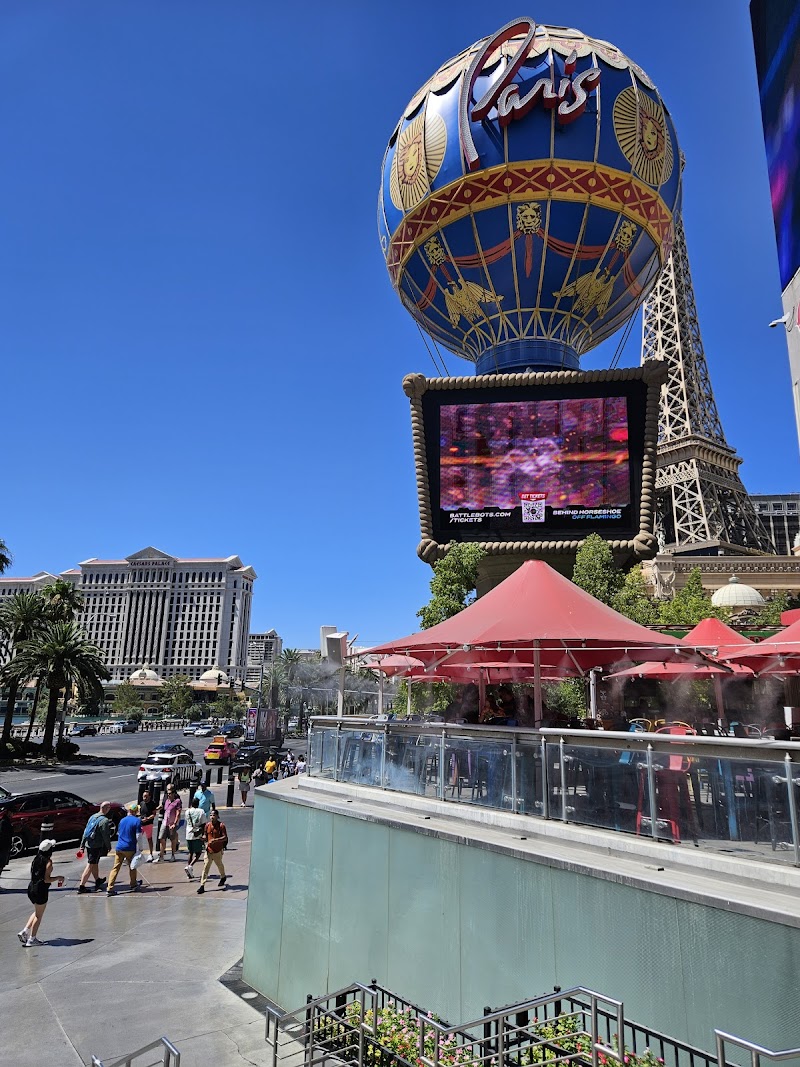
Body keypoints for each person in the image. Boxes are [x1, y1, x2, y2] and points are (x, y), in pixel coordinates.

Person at [18, 839, 64, 946]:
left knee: (37, 911)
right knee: (39, 916)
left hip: (31, 888)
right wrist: (58, 878)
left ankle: (25, 931)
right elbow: (46, 879)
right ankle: (32, 939)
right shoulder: (48, 862)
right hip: (41, 890)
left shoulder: (36, 859)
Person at [106, 803, 143, 895]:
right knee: (132, 866)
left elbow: (119, 833)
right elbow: (138, 836)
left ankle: (110, 887)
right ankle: (133, 884)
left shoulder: (122, 820)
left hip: (119, 847)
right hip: (130, 847)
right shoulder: (137, 821)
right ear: (135, 811)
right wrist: (140, 848)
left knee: (115, 868)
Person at [77, 801, 113, 893]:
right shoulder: (104, 820)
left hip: (89, 844)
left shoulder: (92, 817)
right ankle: (81, 886)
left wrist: (82, 845)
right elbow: (106, 835)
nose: (109, 809)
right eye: (109, 808)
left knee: (94, 863)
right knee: (90, 865)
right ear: (105, 809)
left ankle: (97, 880)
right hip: (96, 846)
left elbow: (85, 831)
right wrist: (108, 846)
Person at [197, 808, 227, 894]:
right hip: (209, 850)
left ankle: (223, 876)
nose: (212, 817)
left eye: (214, 815)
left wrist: (216, 840)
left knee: (219, 865)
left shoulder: (221, 825)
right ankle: (202, 885)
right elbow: (205, 836)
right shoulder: (207, 825)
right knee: (206, 867)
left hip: (217, 850)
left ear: (217, 816)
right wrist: (203, 838)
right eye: (211, 815)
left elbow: (225, 837)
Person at [156, 785, 182, 861]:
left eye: (170, 793)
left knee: (172, 840)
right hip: (165, 823)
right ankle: (161, 856)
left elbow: (178, 813)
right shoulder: (167, 801)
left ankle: (173, 855)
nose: (168, 795)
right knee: (161, 838)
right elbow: (163, 807)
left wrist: (174, 823)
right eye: (168, 793)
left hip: (172, 823)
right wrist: (155, 809)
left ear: (173, 793)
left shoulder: (177, 801)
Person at [183, 796, 207, 880]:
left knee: (190, 852)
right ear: (198, 803)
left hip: (188, 834)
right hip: (197, 835)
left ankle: (189, 871)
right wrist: (204, 834)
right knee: (198, 853)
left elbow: (187, 821)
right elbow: (204, 824)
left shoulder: (187, 812)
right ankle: (190, 866)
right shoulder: (201, 811)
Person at [138, 789, 157, 862]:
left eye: (146, 796)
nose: (144, 798)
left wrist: (148, 818)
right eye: (144, 796)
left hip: (149, 824)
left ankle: (151, 854)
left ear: (149, 797)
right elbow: (140, 813)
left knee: (149, 839)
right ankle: (136, 853)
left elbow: (154, 814)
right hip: (141, 824)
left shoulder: (152, 803)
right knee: (137, 838)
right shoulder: (141, 803)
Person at [0, 811, 12, 886]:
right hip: (3, 847)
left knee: (2, 865)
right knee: (1, 865)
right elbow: (3, 834)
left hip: (5, 846)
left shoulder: (6, 821)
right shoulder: (3, 822)